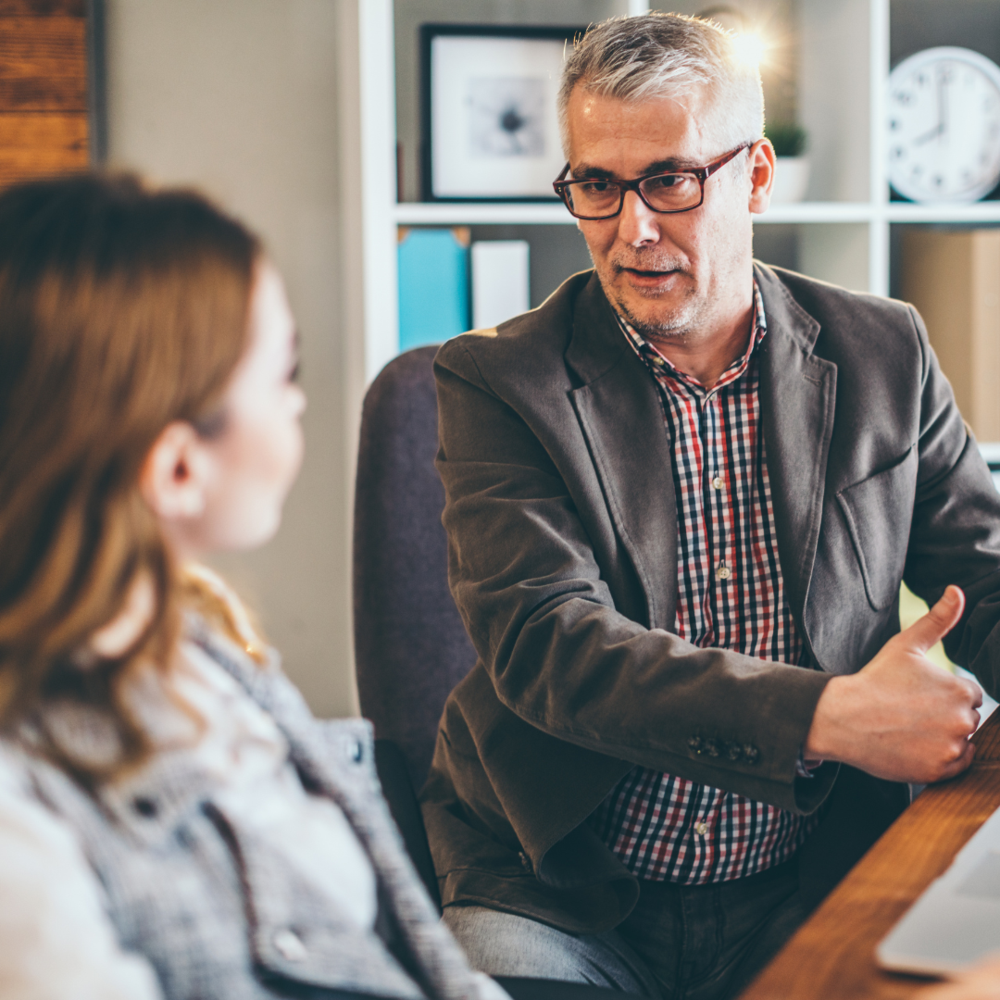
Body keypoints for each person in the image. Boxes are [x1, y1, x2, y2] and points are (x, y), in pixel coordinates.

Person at [421, 12, 1000, 1000]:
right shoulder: (497, 381)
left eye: (670, 179)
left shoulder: (882, 352)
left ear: (756, 176)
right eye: (596, 185)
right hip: (554, 888)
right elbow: (549, 646)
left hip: (806, 876)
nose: (630, 228)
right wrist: (827, 715)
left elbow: (983, 578)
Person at [0, 172, 509, 1000]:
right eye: (282, 374)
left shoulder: (203, 647)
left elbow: (416, 948)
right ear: (177, 467)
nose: (300, 402)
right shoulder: (20, 824)